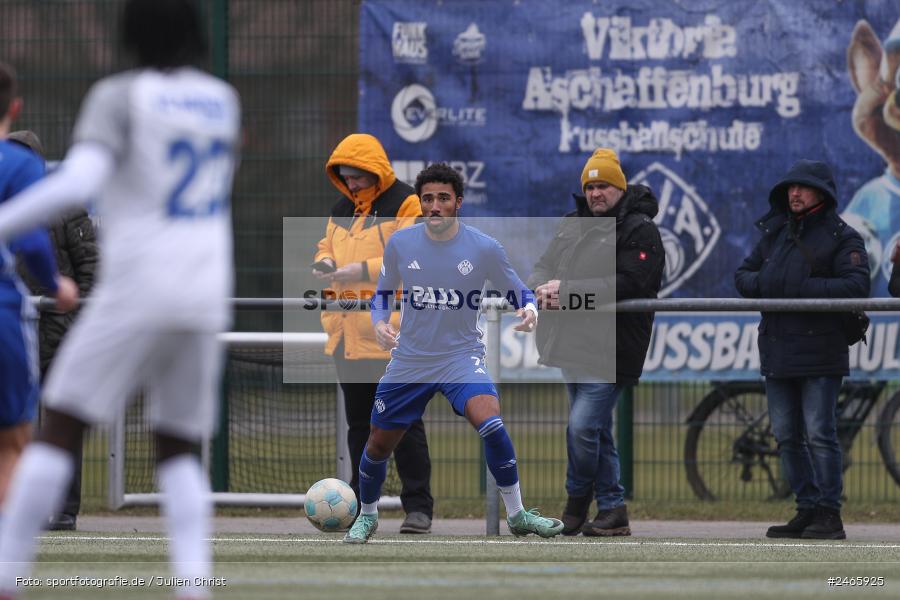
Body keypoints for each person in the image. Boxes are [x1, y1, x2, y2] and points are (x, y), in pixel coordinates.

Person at [0, 1, 241, 598]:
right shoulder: (222, 100)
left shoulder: (119, 95)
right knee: (179, 445)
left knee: (60, 424)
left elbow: (78, 182)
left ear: (129, 35)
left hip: (139, 284)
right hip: (207, 288)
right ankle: (193, 584)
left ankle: (6, 572)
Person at [343, 162, 563, 544]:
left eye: (443, 198)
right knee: (377, 444)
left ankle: (517, 514)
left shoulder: (483, 247)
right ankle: (367, 514)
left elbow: (519, 291)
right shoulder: (401, 244)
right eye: (427, 198)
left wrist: (530, 310)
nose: (434, 206)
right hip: (410, 360)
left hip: (460, 357)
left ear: (457, 202)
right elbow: (382, 294)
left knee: (492, 423)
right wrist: (379, 322)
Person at [528, 148, 664, 536]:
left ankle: (575, 503)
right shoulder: (572, 224)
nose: (595, 193)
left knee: (582, 428)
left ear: (619, 188)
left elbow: (631, 282)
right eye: (589, 186)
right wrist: (540, 287)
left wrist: (567, 292)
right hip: (569, 342)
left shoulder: (640, 229)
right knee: (596, 430)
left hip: (612, 347)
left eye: (603, 185)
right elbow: (543, 264)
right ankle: (612, 508)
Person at [735, 160, 870, 541]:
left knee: (820, 433)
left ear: (822, 194)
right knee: (786, 436)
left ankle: (830, 514)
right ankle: (806, 508)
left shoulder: (845, 238)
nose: (794, 193)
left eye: (804, 187)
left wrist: (796, 287)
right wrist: (775, 282)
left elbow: (856, 287)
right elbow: (742, 277)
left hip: (821, 353)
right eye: (790, 187)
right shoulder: (775, 233)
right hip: (777, 351)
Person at [314, 133, 433, 533]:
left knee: (405, 424)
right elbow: (323, 244)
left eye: (357, 178)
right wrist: (326, 260)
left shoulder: (406, 202)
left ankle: (418, 507)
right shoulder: (341, 208)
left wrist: (360, 270)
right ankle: (362, 505)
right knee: (360, 427)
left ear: (374, 172)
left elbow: (416, 252)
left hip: (392, 334)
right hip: (348, 335)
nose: (351, 185)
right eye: (345, 177)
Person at [10, 130, 98, 532]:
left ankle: (63, 508)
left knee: (59, 423)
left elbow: (89, 270)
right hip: (13, 332)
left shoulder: (65, 208)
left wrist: (78, 322)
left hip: (57, 333)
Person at [0, 66, 79, 513]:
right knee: (11, 445)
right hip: (5, 311)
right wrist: (56, 285)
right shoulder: (22, 166)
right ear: (14, 107)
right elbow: (31, 239)